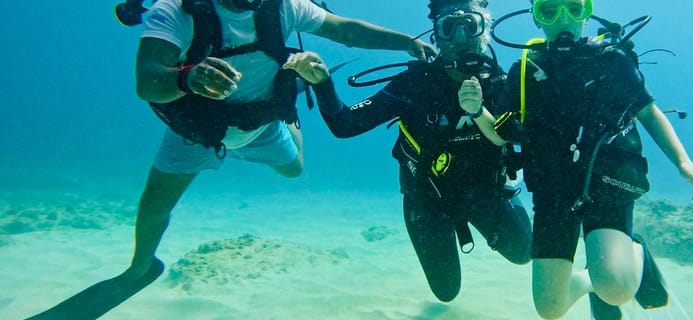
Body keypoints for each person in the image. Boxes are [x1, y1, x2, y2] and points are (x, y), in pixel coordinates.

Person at [27, 0, 435, 318]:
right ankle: (138, 269)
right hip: (197, 131)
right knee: (154, 206)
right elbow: (146, 80)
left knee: (294, 169)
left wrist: (406, 42)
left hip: (262, 126)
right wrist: (187, 77)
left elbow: (344, 29)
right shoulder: (177, 10)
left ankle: (293, 123)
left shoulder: (285, 7)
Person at [285, 0, 532, 303]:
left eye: (471, 24)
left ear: (485, 32)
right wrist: (323, 84)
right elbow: (346, 124)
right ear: (436, 36)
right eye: (448, 27)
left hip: (484, 191)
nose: (460, 36)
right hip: (427, 198)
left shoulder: (500, 83)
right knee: (446, 291)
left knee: (524, 253)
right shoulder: (415, 85)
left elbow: (521, 140)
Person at [493, 0, 693, 318]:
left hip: (608, 180)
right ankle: (593, 277)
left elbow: (648, 111)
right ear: (537, 19)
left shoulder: (611, 60)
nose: (563, 18)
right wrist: (474, 110)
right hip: (553, 189)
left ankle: (631, 255)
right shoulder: (525, 71)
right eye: (549, 10)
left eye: (574, 7)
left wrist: (682, 161)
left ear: (587, 13)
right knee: (549, 309)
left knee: (617, 288)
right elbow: (502, 130)